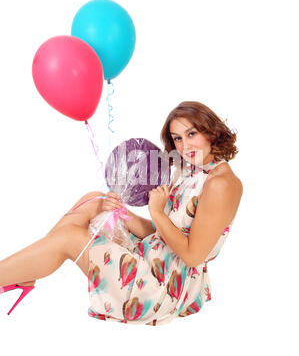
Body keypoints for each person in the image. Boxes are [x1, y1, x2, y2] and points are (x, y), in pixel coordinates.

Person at [0, 101, 242, 323]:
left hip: (162, 286)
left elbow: (192, 256)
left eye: (192, 134)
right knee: (95, 199)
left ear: (211, 130)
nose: (184, 145)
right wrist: (124, 214)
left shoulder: (221, 184)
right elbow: (162, 233)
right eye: (177, 138)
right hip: (154, 254)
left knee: (69, 239)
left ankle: (18, 272)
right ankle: (25, 271)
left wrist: (157, 212)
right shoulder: (191, 169)